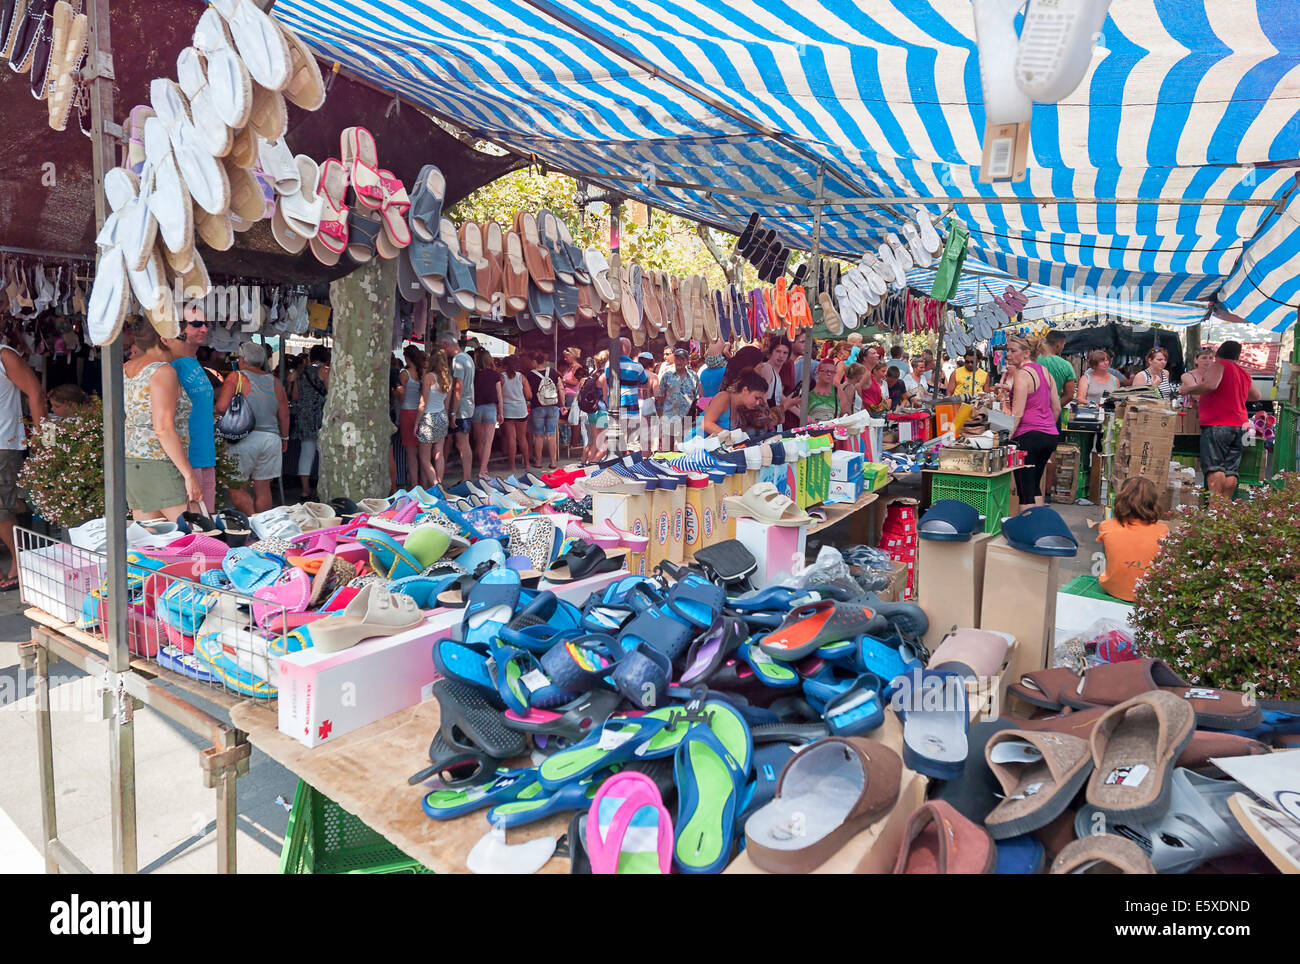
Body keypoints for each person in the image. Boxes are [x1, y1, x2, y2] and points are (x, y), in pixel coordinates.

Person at [122, 321, 199, 525]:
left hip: (133, 461)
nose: (188, 341)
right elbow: (163, 428)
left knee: (154, 540)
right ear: (164, 339)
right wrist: (189, 475)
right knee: (195, 536)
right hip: (160, 461)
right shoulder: (163, 371)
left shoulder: (129, 368)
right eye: (182, 337)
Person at [1178, 340, 1261, 499]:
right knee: (1230, 470)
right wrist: (1236, 394)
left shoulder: (1218, 366)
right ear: (1238, 356)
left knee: (1214, 468)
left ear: (1217, 354)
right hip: (1240, 425)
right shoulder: (1243, 372)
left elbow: (1211, 385)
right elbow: (1256, 396)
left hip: (1218, 423)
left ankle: (1215, 509)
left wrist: (1187, 389)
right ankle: (1224, 510)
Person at [217, 341, 288, 515]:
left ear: (242, 359)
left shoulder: (236, 377)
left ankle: (253, 520)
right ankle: (263, 528)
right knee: (263, 487)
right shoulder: (275, 382)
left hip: (243, 438)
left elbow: (221, 407)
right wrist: (284, 438)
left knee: (236, 487)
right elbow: (284, 414)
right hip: (271, 439)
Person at [0, 331, 46, 589]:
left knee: (1, 509)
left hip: (3, 444)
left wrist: (42, 441)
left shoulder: (5, 355)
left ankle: (20, 561)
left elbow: (36, 393)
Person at [163, 302, 217, 511]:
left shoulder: (192, 362)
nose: (204, 329)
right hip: (186, 460)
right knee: (191, 529)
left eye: (205, 324)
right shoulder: (171, 366)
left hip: (204, 456)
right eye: (196, 324)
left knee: (207, 525)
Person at [1005, 333, 1061, 507]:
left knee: (1025, 492)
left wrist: (1006, 438)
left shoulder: (1022, 376)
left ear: (1026, 353)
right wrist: (1048, 426)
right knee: (1035, 487)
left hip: (1028, 437)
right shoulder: (1045, 371)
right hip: (1049, 436)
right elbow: (1057, 407)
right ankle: (1039, 529)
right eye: (1008, 350)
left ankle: (1028, 532)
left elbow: (1018, 413)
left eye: (1013, 350)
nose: (1008, 354)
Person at [1096, 477, 1169, 602]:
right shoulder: (1163, 530)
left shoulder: (1106, 525)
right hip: (1147, 594)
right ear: (1153, 501)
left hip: (1113, 590)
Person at [290, 345, 329, 501]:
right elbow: (330, 392)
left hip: (304, 415)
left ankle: (305, 490)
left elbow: (294, 396)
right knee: (323, 454)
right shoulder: (325, 371)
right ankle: (321, 490)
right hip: (321, 414)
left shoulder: (302, 372)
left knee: (306, 453)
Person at [602, 338, 647, 454]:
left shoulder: (608, 365)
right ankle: (632, 467)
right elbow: (645, 383)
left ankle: (620, 467)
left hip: (614, 410)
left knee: (617, 444)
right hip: (631, 410)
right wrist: (634, 383)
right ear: (630, 349)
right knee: (633, 443)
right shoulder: (637, 367)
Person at [416, 347, 452, 486]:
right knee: (439, 454)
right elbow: (447, 404)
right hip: (442, 415)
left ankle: (435, 484)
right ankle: (440, 483)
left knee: (424, 457)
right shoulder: (448, 379)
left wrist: (416, 423)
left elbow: (423, 403)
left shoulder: (428, 377)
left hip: (428, 418)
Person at [442, 334, 475, 482]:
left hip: (461, 407)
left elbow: (458, 387)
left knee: (462, 443)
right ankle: (466, 477)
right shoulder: (468, 358)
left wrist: (453, 412)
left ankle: (466, 478)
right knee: (462, 442)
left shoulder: (459, 360)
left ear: (446, 345)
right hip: (467, 404)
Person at [700, 369, 770, 436]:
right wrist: (731, 437)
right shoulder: (723, 397)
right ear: (745, 390)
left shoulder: (740, 408)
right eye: (756, 398)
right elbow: (706, 424)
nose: (757, 403)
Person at [657, 346, 702, 450]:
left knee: (683, 449)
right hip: (669, 417)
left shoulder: (694, 376)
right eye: (677, 358)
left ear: (687, 361)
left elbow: (698, 397)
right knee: (666, 448)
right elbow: (660, 396)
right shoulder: (667, 375)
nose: (679, 361)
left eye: (682, 359)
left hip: (687, 419)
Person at [396, 345, 426, 491]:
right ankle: (424, 482)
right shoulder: (423, 373)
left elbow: (401, 397)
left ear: (406, 357)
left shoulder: (404, 373)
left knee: (411, 452)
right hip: (421, 412)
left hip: (407, 412)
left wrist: (394, 392)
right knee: (423, 452)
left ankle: (414, 484)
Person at [527, 351, 563, 469]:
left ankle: (538, 462)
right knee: (551, 435)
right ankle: (553, 462)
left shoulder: (530, 375)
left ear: (534, 361)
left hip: (538, 407)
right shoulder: (553, 372)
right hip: (553, 406)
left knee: (538, 436)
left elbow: (528, 393)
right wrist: (562, 404)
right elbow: (561, 388)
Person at [471, 348, 503, 479]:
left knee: (479, 441)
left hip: (476, 409)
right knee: (488, 441)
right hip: (490, 409)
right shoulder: (495, 375)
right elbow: (499, 396)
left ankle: (482, 466)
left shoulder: (473, 374)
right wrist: (501, 412)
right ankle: (483, 470)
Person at [1035, 330, 1076, 426]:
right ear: (1058, 344)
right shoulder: (1066, 365)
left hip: (1032, 412)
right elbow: (1069, 395)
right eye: (1063, 345)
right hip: (1053, 416)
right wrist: (1054, 406)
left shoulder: (1034, 359)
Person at [500, 353, 531, 473]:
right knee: (522, 438)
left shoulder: (501, 377)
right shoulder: (521, 377)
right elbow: (529, 395)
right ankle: (527, 464)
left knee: (511, 438)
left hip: (507, 410)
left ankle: (511, 465)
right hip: (520, 409)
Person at [581, 356, 608, 463]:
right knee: (605, 440)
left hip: (592, 411)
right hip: (602, 410)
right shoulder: (604, 376)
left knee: (594, 440)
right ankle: (593, 462)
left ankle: (585, 461)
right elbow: (606, 396)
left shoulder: (592, 374)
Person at [637, 352, 658, 454]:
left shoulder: (635, 374)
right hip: (648, 404)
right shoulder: (653, 376)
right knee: (647, 434)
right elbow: (657, 395)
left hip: (634, 404)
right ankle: (646, 456)